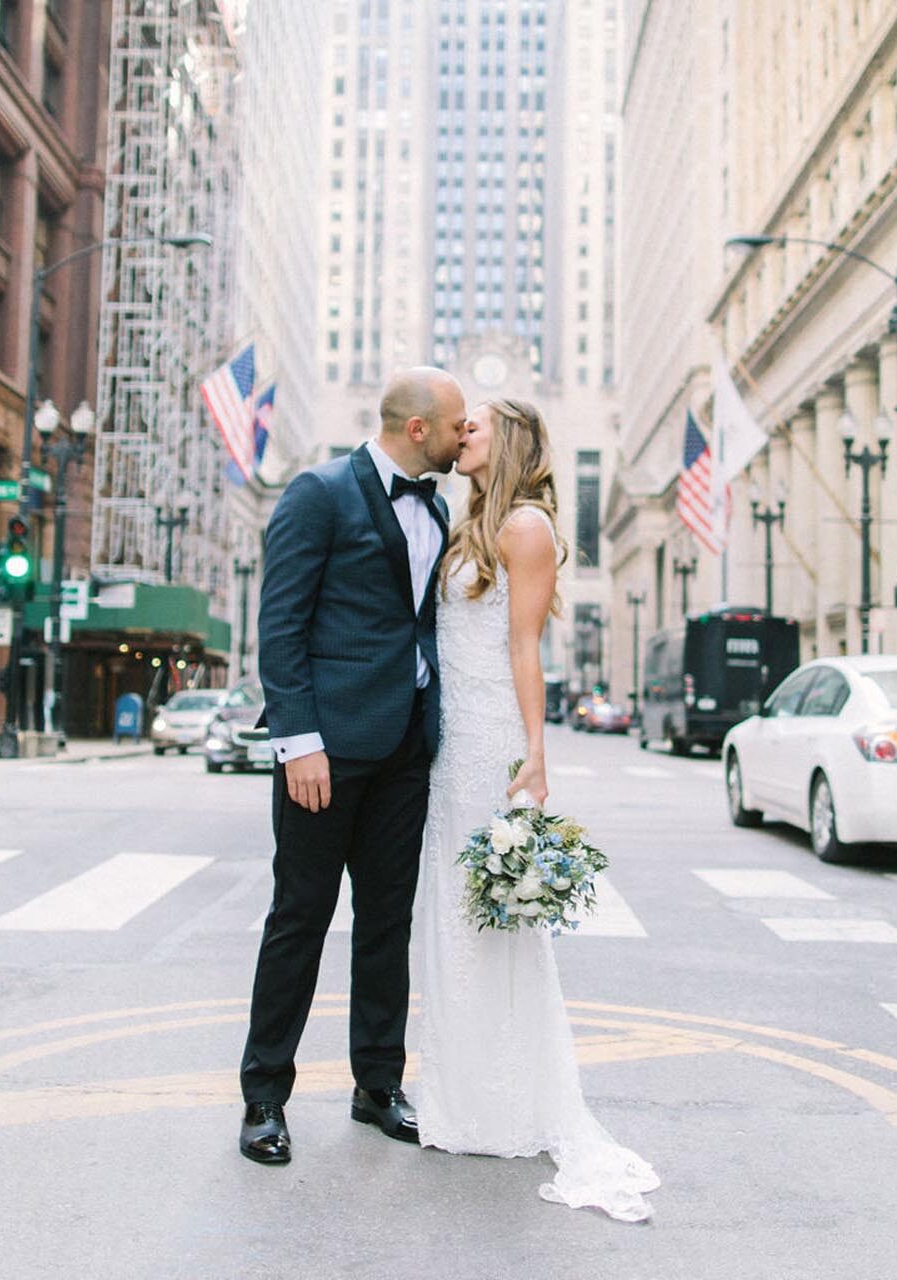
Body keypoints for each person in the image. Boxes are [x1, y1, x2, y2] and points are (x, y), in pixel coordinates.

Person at [415, 398, 660, 1222]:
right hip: (451, 742)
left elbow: (524, 646)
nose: (460, 433)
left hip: (490, 740)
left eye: (473, 425)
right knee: (452, 918)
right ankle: (462, 1094)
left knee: (489, 920)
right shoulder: (468, 520)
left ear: (507, 440)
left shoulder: (525, 526)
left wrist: (536, 751)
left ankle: (507, 1103)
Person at [239, 367, 467, 1165]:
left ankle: (377, 1085)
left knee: (385, 923)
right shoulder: (319, 492)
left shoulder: (436, 505)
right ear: (417, 429)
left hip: (405, 748)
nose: (462, 436)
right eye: (455, 425)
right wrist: (298, 741)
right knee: (299, 919)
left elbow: (419, 623)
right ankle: (264, 1097)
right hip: (325, 754)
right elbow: (282, 625)